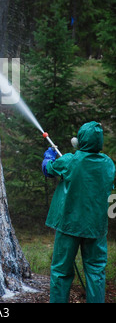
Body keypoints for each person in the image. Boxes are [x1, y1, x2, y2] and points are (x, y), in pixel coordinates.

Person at [42, 121, 115, 304]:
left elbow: (49, 170)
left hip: (69, 227)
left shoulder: (70, 160)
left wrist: (48, 156)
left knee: (61, 272)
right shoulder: (108, 164)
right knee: (96, 272)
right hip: (96, 229)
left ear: (80, 140)